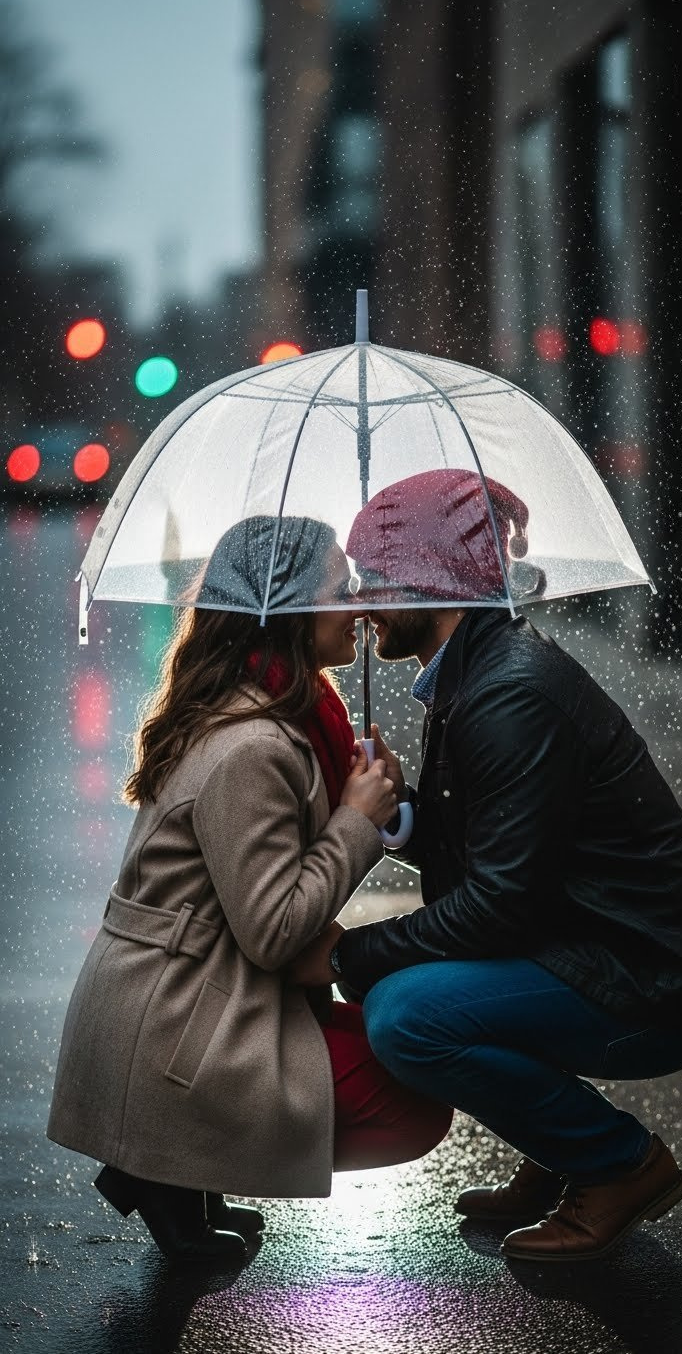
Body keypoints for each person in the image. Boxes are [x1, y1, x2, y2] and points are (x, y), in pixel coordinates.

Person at [290, 470, 682, 1263]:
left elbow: (501, 904)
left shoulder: (509, 693)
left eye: (378, 581)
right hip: (593, 943)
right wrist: (395, 813)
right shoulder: (478, 670)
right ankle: (562, 1149)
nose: (363, 604)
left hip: (650, 979)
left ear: (430, 581)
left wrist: (348, 956)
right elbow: (504, 844)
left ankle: (616, 1164)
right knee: (423, 993)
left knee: (407, 1015)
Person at [47, 515, 452, 1263]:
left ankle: (185, 1172)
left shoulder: (279, 711)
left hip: (192, 1000)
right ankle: (167, 1165)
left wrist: (357, 804)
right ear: (291, 613)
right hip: (181, 1028)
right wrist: (356, 822)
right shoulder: (255, 744)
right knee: (415, 1093)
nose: (360, 605)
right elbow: (273, 929)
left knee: (410, 1045)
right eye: (341, 590)